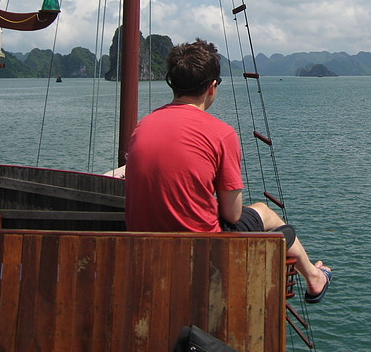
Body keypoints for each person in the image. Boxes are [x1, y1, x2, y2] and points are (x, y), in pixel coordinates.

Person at [125, 38, 332, 303]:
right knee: (266, 212)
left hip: (142, 245)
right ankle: (315, 278)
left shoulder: (143, 126)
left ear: (171, 82)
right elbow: (232, 214)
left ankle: (314, 275)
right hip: (201, 250)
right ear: (212, 87)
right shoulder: (221, 134)